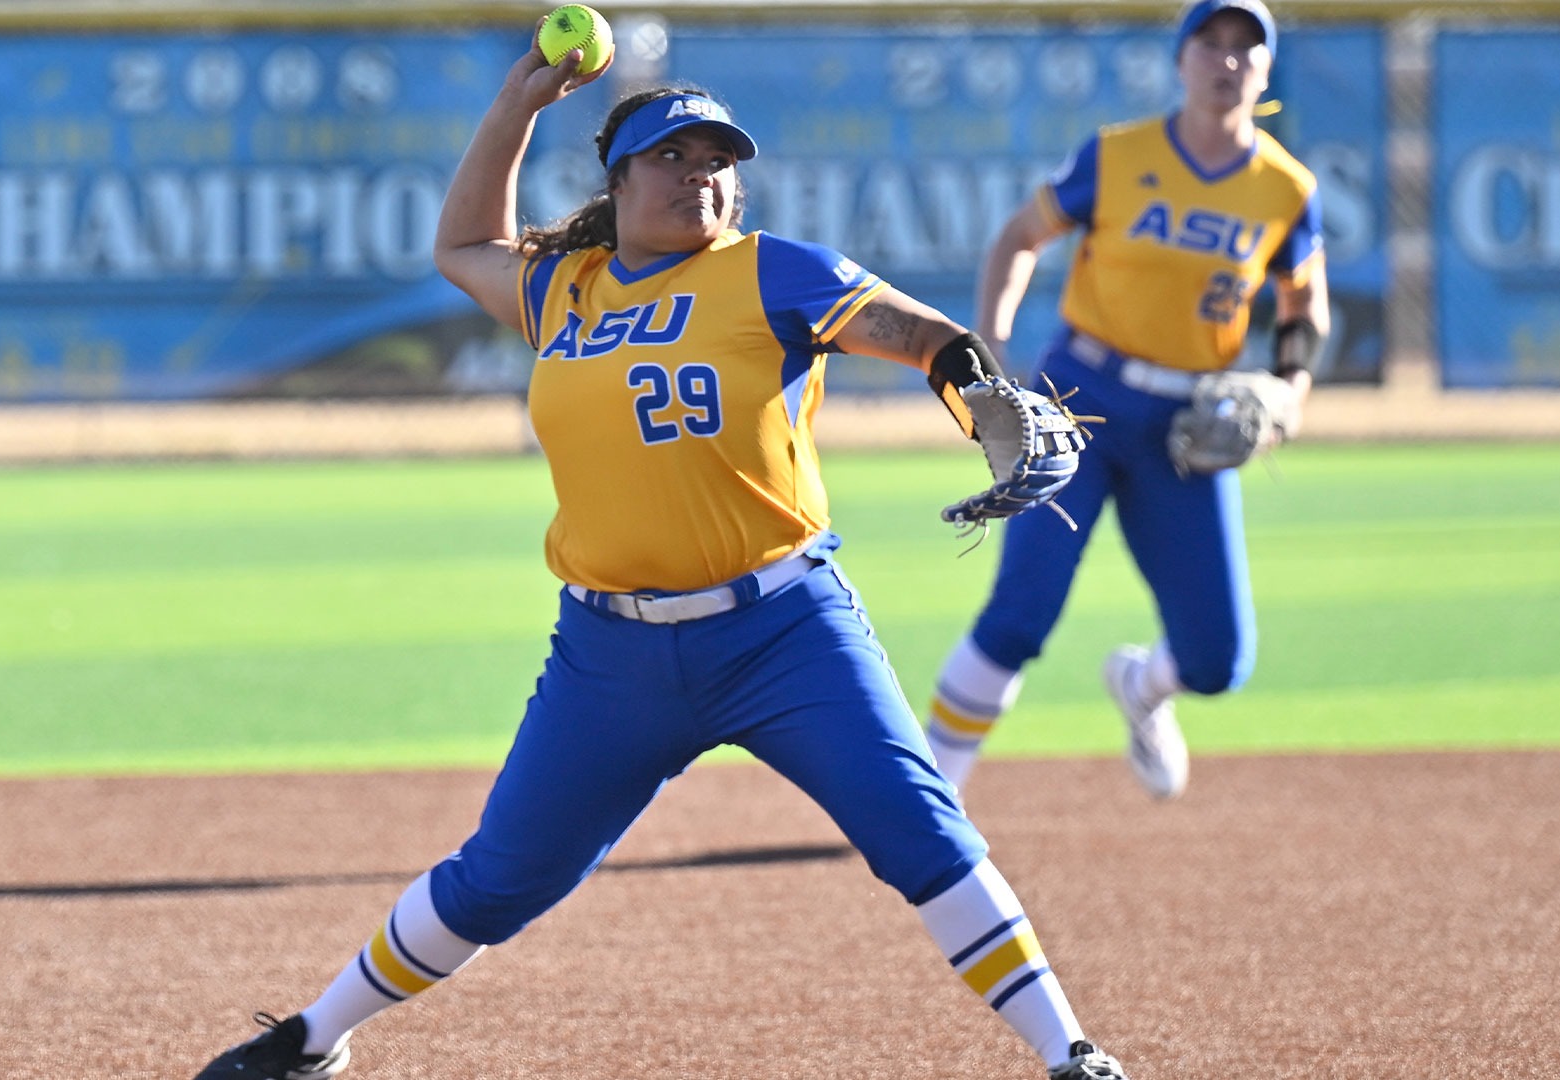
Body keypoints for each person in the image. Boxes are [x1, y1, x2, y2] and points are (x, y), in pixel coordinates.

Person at [190, 31, 1129, 1080]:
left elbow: (920, 335)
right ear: (622, 178)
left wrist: (976, 394)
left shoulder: (772, 271)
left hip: (786, 631)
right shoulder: (563, 288)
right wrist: (519, 100)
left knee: (921, 832)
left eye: (718, 160)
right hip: (611, 653)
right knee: (501, 878)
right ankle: (315, 1038)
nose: (702, 176)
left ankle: (1071, 1054)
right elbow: (460, 249)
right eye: (676, 157)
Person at [921, 0, 1329, 801]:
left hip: (1187, 425)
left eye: (1247, 47)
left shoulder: (1285, 188)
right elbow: (1018, 239)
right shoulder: (1118, 156)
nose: (1227, 60)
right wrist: (992, 352)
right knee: (1020, 615)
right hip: (1081, 397)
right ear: (1181, 60)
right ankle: (931, 796)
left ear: (1267, 70)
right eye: (1209, 42)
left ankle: (1143, 688)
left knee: (1216, 661)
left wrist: (1292, 390)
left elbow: (1301, 307)